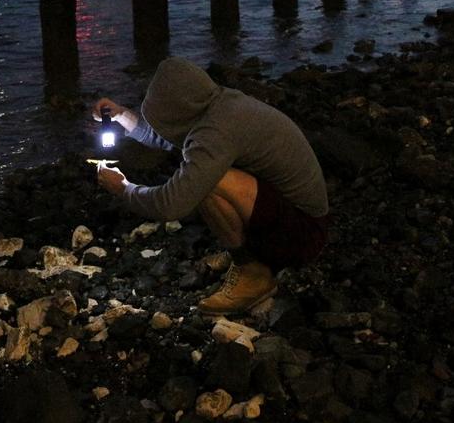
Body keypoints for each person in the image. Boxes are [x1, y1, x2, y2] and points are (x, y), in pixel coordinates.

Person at [92, 56, 329, 316]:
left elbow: (170, 203)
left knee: (207, 183)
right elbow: (174, 140)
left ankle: (253, 272)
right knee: (204, 174)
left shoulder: (217, 133)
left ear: (178, 112)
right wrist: (123, 116)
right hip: (288, 213)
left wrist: (123, 188)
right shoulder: (220, 104)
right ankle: (250, 250)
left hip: (302, 235)